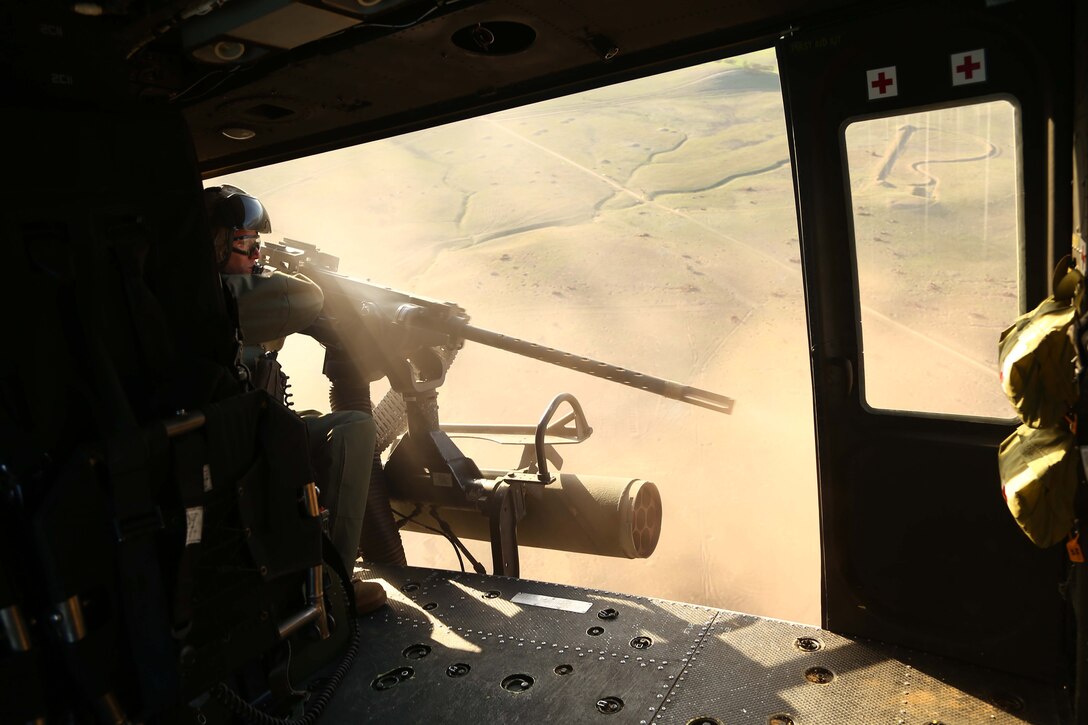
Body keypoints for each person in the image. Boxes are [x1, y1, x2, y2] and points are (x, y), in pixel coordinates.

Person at [205, 184, 387, 615]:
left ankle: (322, 570)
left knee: (326, 422)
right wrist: (305, 277)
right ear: (213, 246)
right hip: (241, 450)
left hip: (244, 437)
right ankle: (333, 584)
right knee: (354, 429)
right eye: (247, 244)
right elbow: (305, 297)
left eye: (258, 246)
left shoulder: (216, 295)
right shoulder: (215, 295)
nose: (256, 257)